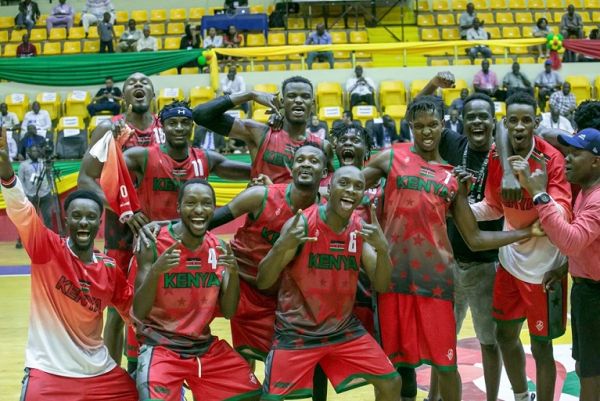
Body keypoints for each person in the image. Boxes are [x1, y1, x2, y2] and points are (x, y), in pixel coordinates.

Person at [362, 95, 541, 401]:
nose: (427, 131)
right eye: (419, 126)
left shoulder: (452, 177)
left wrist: (524, 232)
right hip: (394, 282)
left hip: (437, 285)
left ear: (443, 126)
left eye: (433, 125)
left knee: (446, 365)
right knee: (396, 367)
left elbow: (475, 238)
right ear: (410, 126)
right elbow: (348, 185)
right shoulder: (390, 157)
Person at [0, 141, 138, 401]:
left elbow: (135, 317)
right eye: (77, 216)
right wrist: (8, 177)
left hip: (99, 374)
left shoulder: (109, 269)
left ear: (99, 223)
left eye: (90, 217)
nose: (83, 222)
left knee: (142, 394)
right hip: (49, 372)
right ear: (67, 220)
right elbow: (22, 213)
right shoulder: (48, 249)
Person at [257, 166, 402, 400]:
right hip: (297, 332)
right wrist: (281, 246)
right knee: (272, 398)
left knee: (392, 382)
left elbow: (382, 284)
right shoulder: (303, 224)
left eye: (358, 186)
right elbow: (263, 281)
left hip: (342, 330)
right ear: (329, 189)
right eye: (344, 183)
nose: (351, 190)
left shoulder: (359, 228)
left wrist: (383, 251)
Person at [470, 92, 572, 401]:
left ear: (536, 123)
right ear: (506, 123)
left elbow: (562, 215)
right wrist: (460, 208)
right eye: (513, 120)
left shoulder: (551, 159)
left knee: (542, 346)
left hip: (545, 270)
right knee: (505, 335)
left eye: (526, 120)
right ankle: (519, 395)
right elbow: (493, 206)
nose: (518, 127)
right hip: (510, 264)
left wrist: (531, 185)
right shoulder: (496, 156)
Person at [132, 179, 261, 401]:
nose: (199, 210)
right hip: (161, 346)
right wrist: (156, 271)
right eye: (191, 203)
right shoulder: (153, 243)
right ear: (178, 207)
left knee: (252, 396)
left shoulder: (218, 248)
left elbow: (229, 312)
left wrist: (233, 273)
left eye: (206, 203)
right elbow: (139, 311)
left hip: (203, 346)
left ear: (214, 208)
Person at [206, 145, 326, 364]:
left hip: (277, 293)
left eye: (314, 161)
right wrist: (161, 226)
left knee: (277, 359)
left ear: (326, 172)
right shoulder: (260, 196)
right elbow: (204, 223)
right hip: (239, 282)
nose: (306, 164)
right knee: (195, 330)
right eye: (300, 160)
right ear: (291, 167)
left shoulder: (326, 211)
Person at [78, 72, 164, 370]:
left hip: (160, 232)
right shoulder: (110, 129)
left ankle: (155, 372)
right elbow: (85, 178)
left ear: (153, 95)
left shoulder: (168, 129)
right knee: (116, 311)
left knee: (161, 305)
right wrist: (122, 210)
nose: (138, 85)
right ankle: (114, 380)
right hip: (122, 233)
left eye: (144, 83)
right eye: (131, 83)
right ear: (123, 96)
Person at [511, 126, 600, 401]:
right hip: (586, 290)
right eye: (566, 153)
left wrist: (539, 195)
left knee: (591, 376)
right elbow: (588, 245)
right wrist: (565, 268)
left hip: (595, 297)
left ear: (596, 161)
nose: (567, 159)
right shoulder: (586, 191)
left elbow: (571, 241)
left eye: (575, 154)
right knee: (584, 366)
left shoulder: (597, 200)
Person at [429, 93, 504, 401]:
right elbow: (419, 111)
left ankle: (491, 398)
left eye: (482, 116)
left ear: (492, 121)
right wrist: (435, 84)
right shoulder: (455, 146)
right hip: (450, 263)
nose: (476, 121)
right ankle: (432, 397)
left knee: (489, 341)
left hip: (487, 265)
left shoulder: (501, 159)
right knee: (442, 341)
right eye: (470, 116)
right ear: (461, 121)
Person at [192, 75, 334, 184]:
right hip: (262, 217)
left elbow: (327, 186)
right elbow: (200, 115)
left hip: (303, 219)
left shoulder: (323, 146)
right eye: (291, 96)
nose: (298, 100)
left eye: (305, 96)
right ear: (282, 102)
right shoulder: (258, 133)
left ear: (313, 104)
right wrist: (250, 95)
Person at [16, 143, 54, 232]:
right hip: (31, 195)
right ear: (28, 152)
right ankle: (24, 238)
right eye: (33, 151)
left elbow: (49, 175)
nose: (36, 153)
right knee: (30, 218)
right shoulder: (23, 165)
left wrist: (50, 188)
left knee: (48, 216)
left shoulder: (43, 163)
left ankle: (49, 238)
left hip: (45, 194)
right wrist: (26, 194)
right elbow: (20, 181)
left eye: (37, 151)